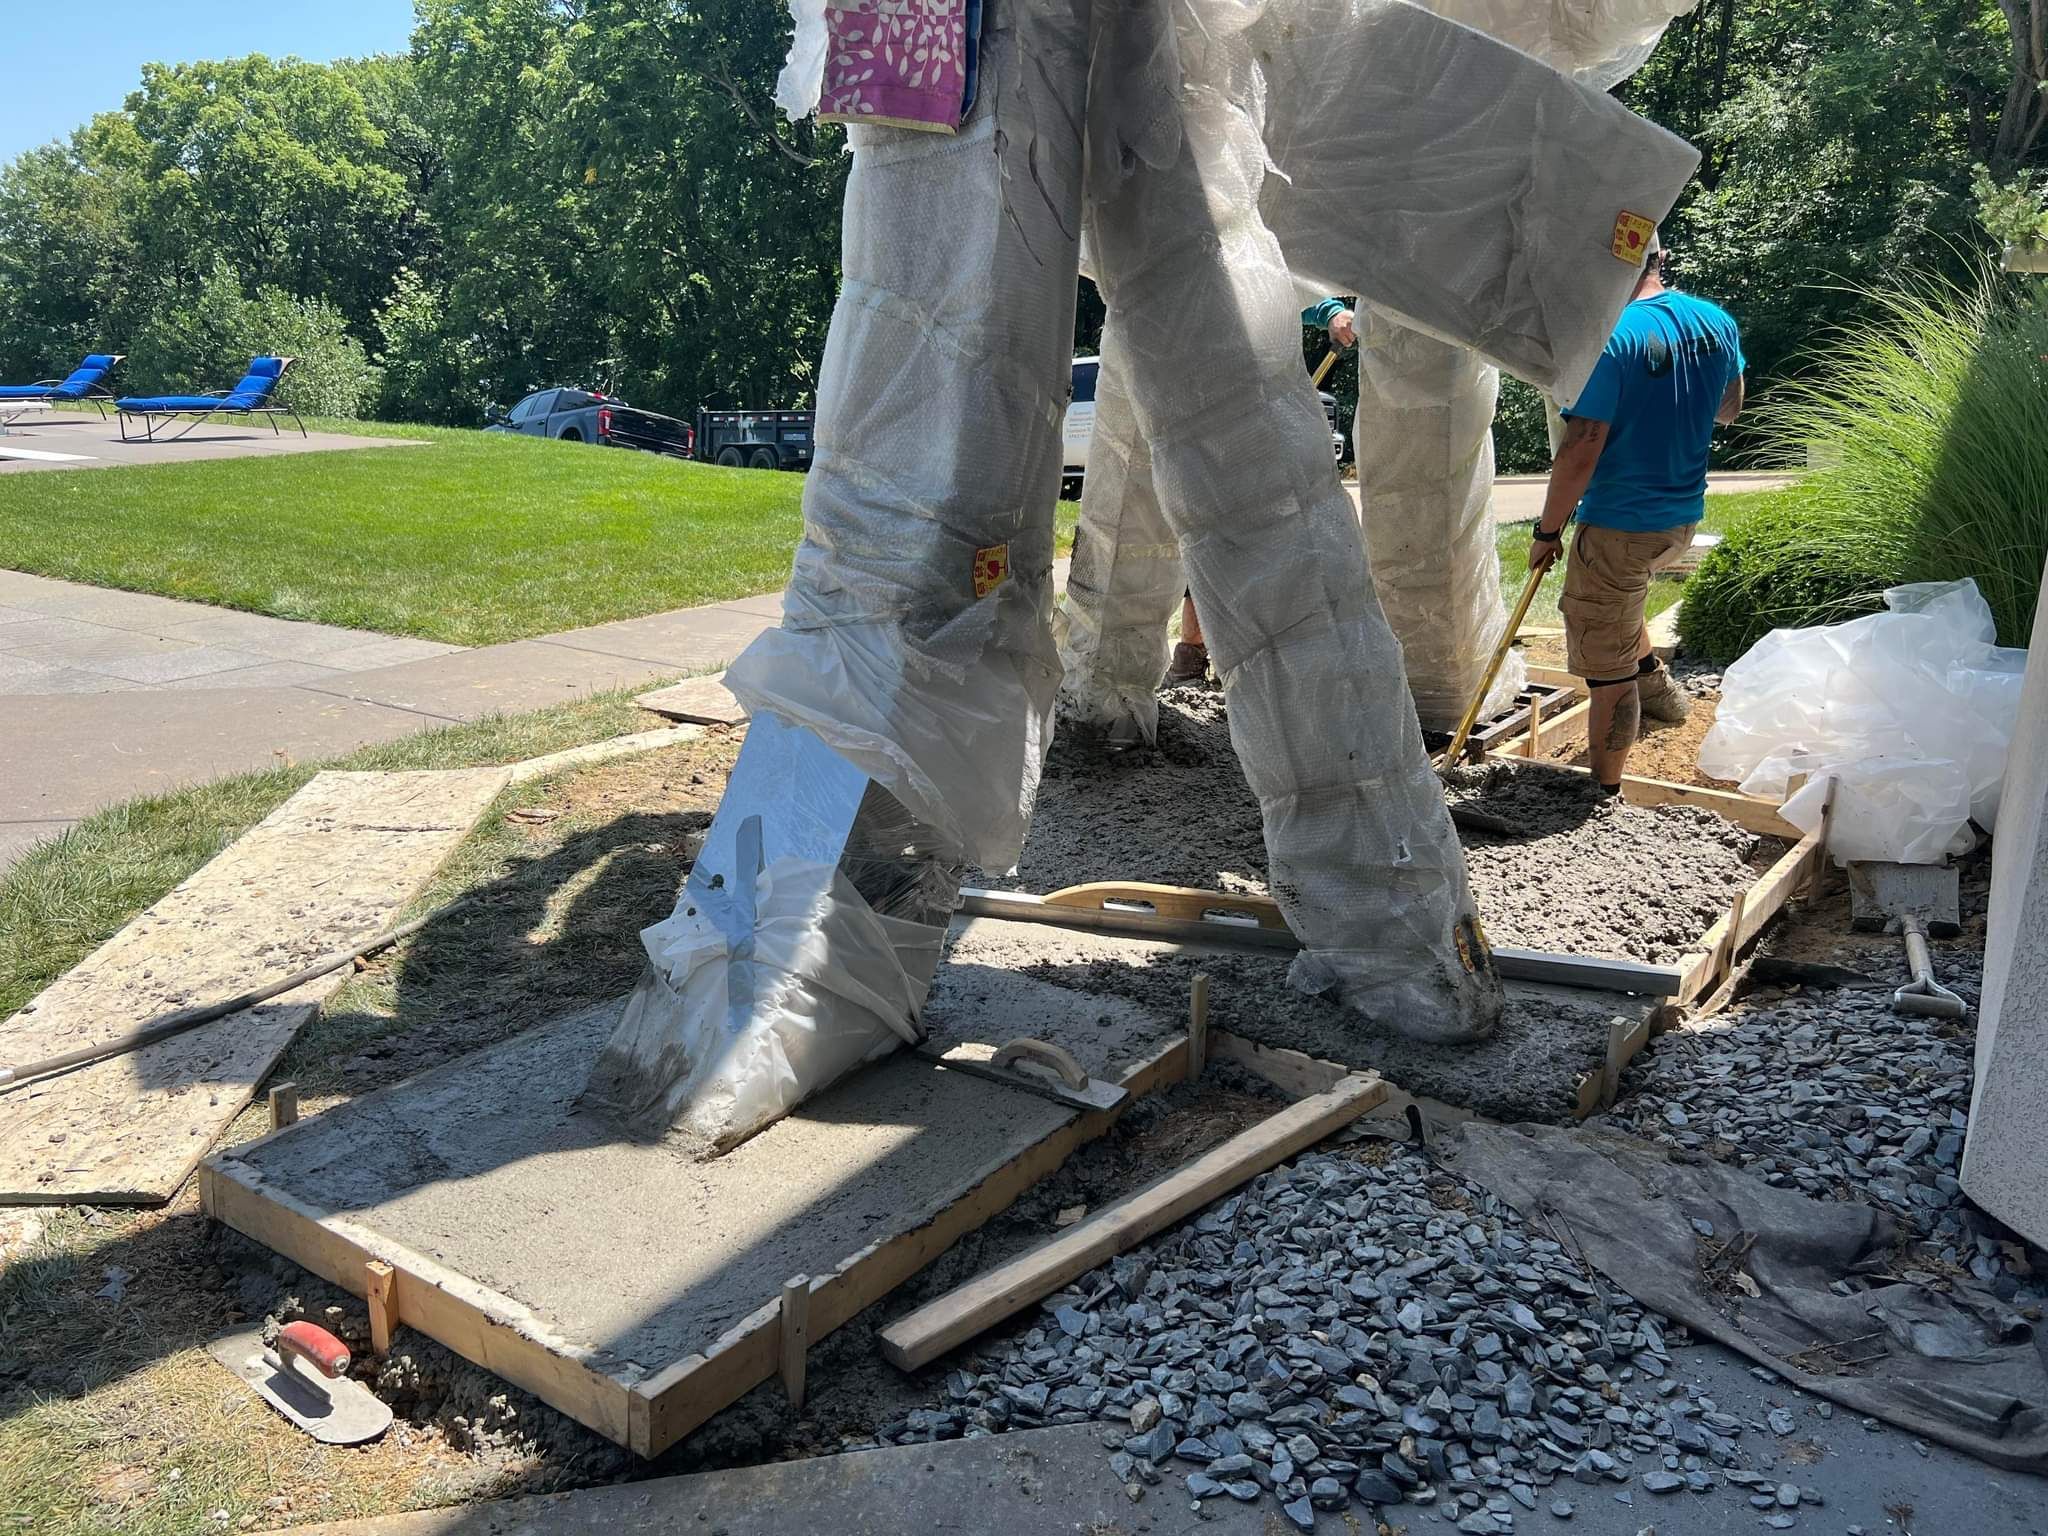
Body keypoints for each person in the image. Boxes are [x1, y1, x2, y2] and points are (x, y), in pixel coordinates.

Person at [1528, 235, 1744, 792]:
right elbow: (1730, 408)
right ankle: (1665, 699)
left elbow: (1581, 448)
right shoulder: (1714, 321)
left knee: (1606, 668)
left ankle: (1603, 791)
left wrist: (1547, 531)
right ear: (1659, 259)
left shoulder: (1611, 339)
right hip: (1679, 519)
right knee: (1623, 611)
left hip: (1621, 525)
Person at [1163, 298, 1357, 689]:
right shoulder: (1190, 301)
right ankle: (1192, 655)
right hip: (1209, 433)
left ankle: (1249, 660)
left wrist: (1331, 312)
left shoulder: (1251, 278)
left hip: (1263, 431)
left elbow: (1290, 288)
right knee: (1209, 545)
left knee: (1264, 546)